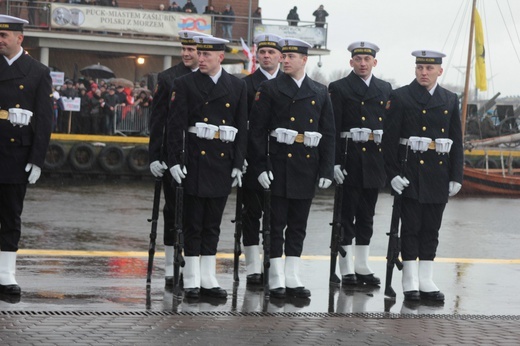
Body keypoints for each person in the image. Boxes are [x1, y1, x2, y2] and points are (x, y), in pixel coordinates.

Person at [248, 38, 335, 299]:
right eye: (283, 56)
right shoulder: (270, 88)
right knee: (275, 223)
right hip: (278, 164)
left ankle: (293, 273)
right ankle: (275, 275)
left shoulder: (319, 91)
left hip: (305, 166)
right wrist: (260, 167)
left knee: (298, 224)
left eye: (290, 57)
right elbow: (257, 132)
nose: (284, 60)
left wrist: (326, 170)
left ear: (304, 60)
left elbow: (328, 133)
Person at [166, 35, 247, 299]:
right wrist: (175, 161)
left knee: (212, 223)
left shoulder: (236, 86)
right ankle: (191, 279)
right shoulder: (185, 84)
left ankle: (208, 277)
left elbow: (241, 127)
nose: (200, 59)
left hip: (221, 162)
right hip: (194, 161)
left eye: (206, 55)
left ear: (220, 57)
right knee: (192, 223)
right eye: (199, 54)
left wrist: (237, 162)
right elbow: (175, 127)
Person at [382, 50, 463, 302]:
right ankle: (410, 279)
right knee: (411, 227)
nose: (423, 72)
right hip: (410, 172)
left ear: (440, 70)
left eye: (429, 68)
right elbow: (389, 141)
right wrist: (392, 175)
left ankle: (426, 278)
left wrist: (456, 175)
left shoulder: (450, 99)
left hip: (437, 172)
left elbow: (456, 140)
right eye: (419, 68)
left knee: (431, 227)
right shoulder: (401, 96)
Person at [148, 30, 211, 288]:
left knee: (197, 216)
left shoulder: (209, 79)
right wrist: (154, 156)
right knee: (173, 211)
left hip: (200, 158)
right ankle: (172, 270)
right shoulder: (168, 78)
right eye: (183, 49)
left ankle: (196, 268)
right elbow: (157, 120)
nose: (186, 53)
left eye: (192, 50)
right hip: (171, 157)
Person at [329, 41, 392, 287]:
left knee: (367, 215)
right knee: (346, 215)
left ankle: (361, 264)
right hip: (349, 159)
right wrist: (333, 163)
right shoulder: (339, 88)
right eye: (358, 59)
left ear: (374, 62)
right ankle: (345, 267)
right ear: (351, 62)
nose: (363, 63)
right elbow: (332, 128)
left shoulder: (385, 88)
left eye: (367, 60)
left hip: (374, 161)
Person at [0, 15, 53, 296]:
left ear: (19, 38)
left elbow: (44, 120)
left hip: (15, 154)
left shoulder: (37, 71)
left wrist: (37, 159)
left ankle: (6, 274)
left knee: (11, 215)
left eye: (4, 35)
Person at [241, 34, 283, 286]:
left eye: (271, 52)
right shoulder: (245, 85)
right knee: (251, 214)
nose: (266, 56)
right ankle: (252, 266)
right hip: (252, 158)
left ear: (280, 56)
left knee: (276, 215)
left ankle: (272, 261)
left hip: (279, 160)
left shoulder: (287, 85)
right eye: (263, 51)